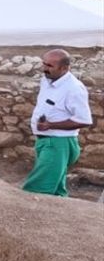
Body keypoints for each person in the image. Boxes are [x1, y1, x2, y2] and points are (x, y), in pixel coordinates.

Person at [23, 49, 93, 196]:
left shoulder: (74, 88)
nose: (44, 68)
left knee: (37, 189)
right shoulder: (47, 80)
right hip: (45, 141)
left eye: (49, 66)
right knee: (56, 190)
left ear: (64, 68)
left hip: (58, 144)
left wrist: (51, 125)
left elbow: (84, 120)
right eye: (44, 64)